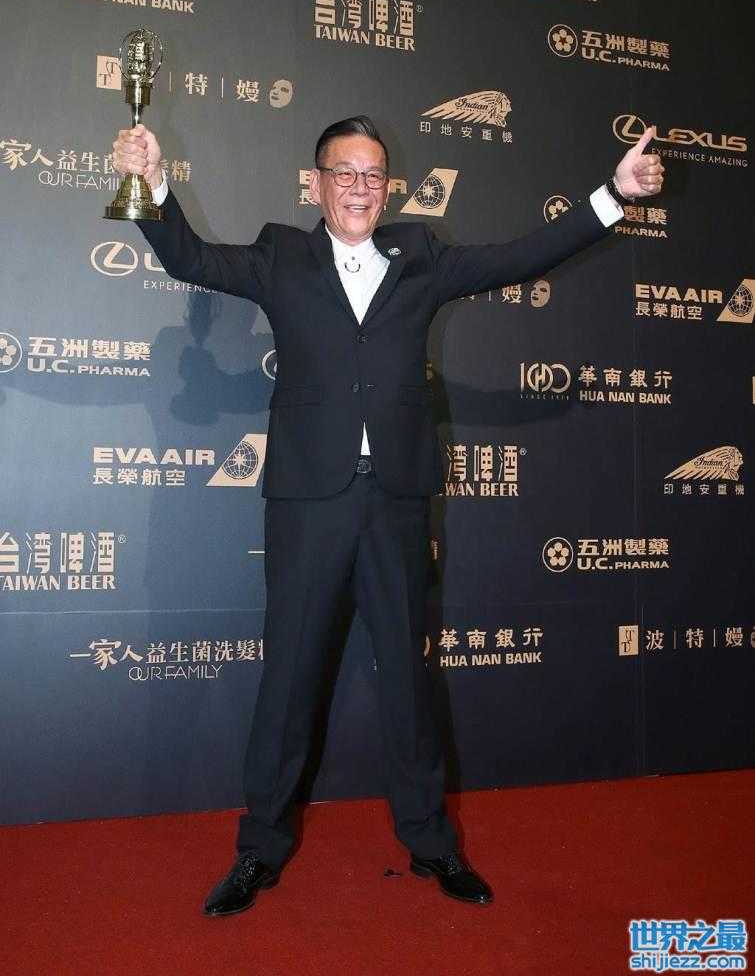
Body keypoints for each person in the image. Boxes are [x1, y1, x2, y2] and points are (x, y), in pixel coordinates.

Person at [112, 115, 664, 916]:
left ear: (387, 187)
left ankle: (432, 845)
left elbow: (518, 256)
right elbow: (188, 257)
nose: (359, 188)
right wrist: (151, 185)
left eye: (373, 174)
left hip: (396, 502)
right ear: (316, 184)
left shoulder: (420, 257)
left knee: (407, 679)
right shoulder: (280, 256)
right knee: (288, 680)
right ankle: (259, 850)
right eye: (344, 173)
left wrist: (612, 195)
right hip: (308, 504)